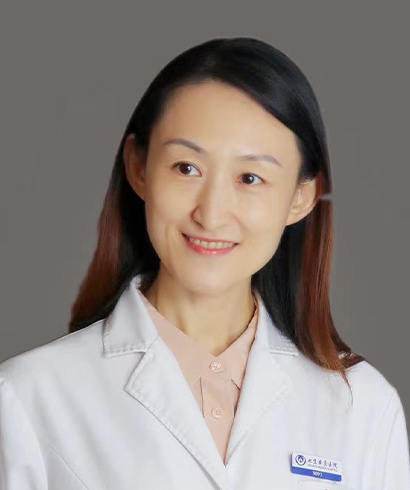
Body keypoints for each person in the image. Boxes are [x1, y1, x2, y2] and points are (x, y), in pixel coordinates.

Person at [0, 37, 409, 490]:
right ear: (139, 167)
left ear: (300, 197)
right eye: (186, 168)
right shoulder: (29, 398)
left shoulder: (363, 408)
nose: (211, 214)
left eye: (250, 177)